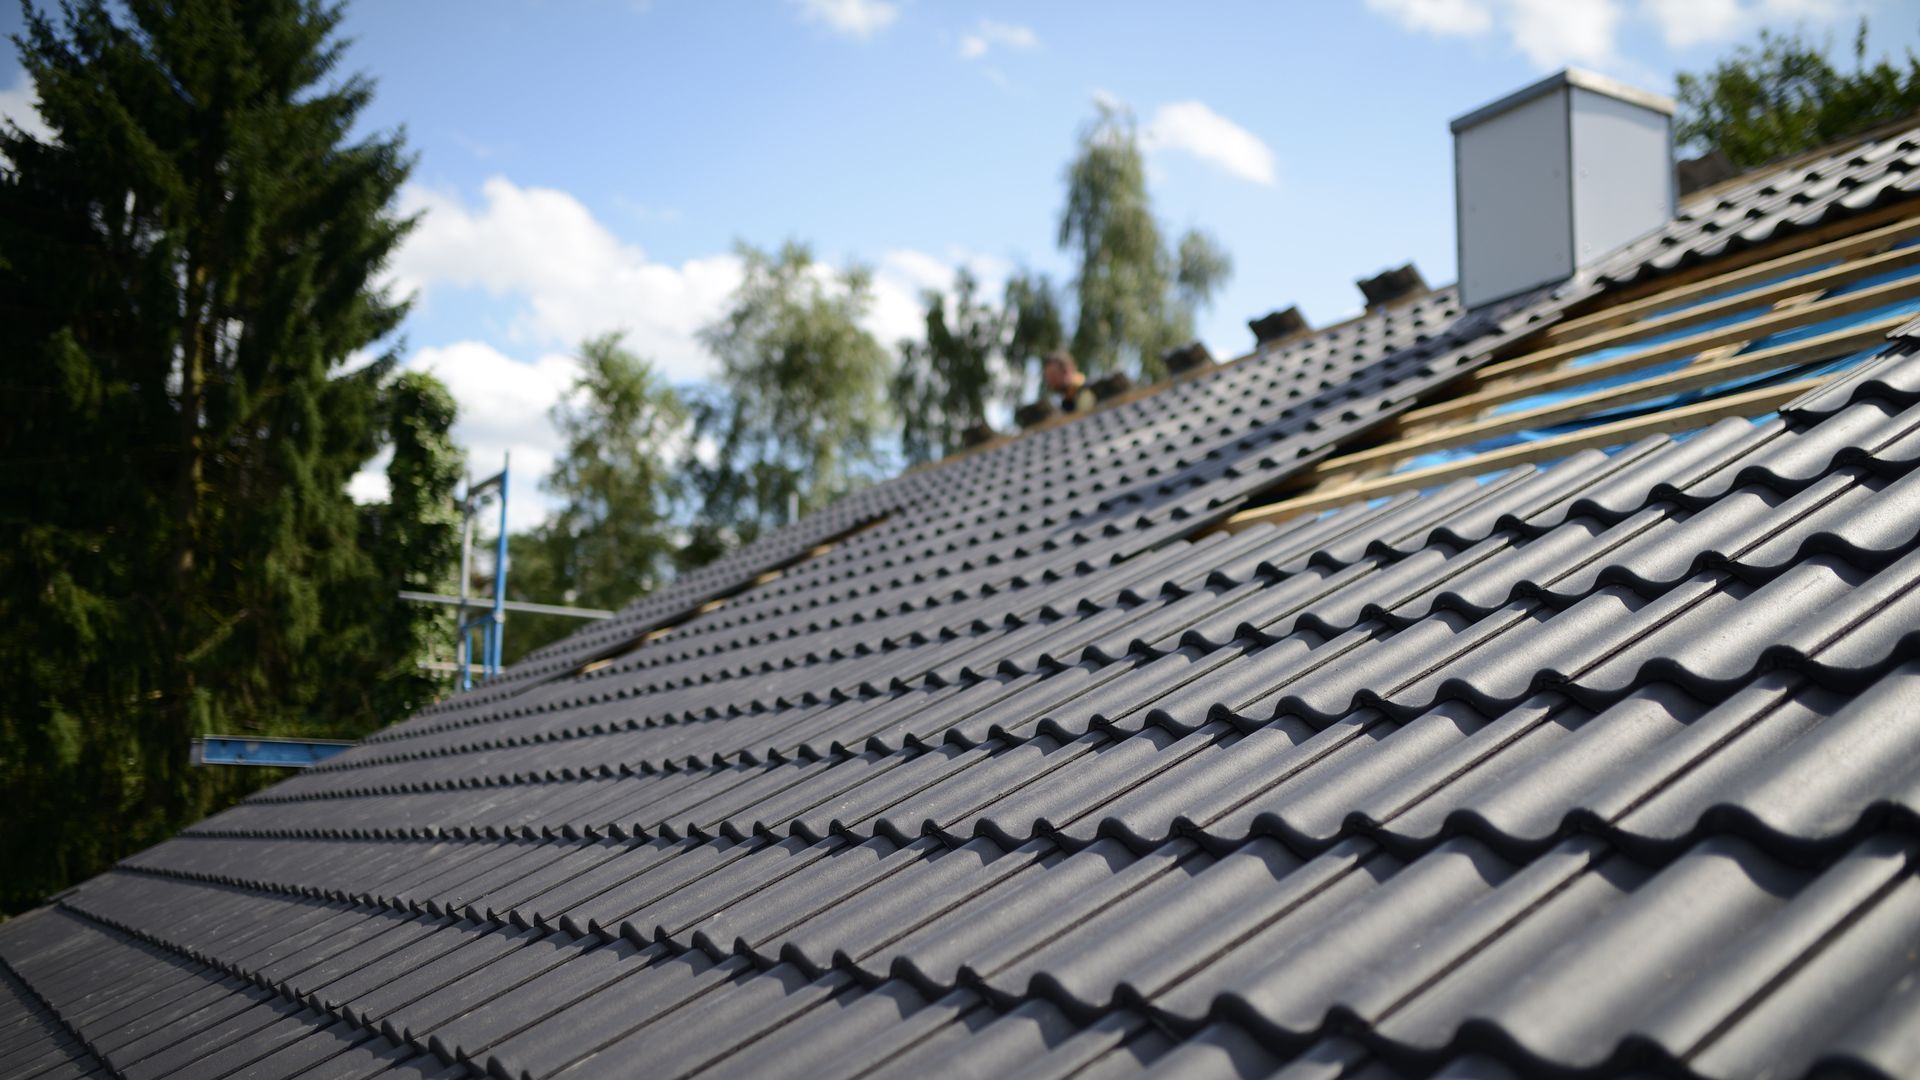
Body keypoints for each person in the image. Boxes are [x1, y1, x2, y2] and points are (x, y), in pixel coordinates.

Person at [1043, 349, 1098, 414]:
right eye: (1048, 378)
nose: (1050, 382)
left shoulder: (1087, 393)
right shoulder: (1067, 400)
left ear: (1068, 370)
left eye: (1053, 376)